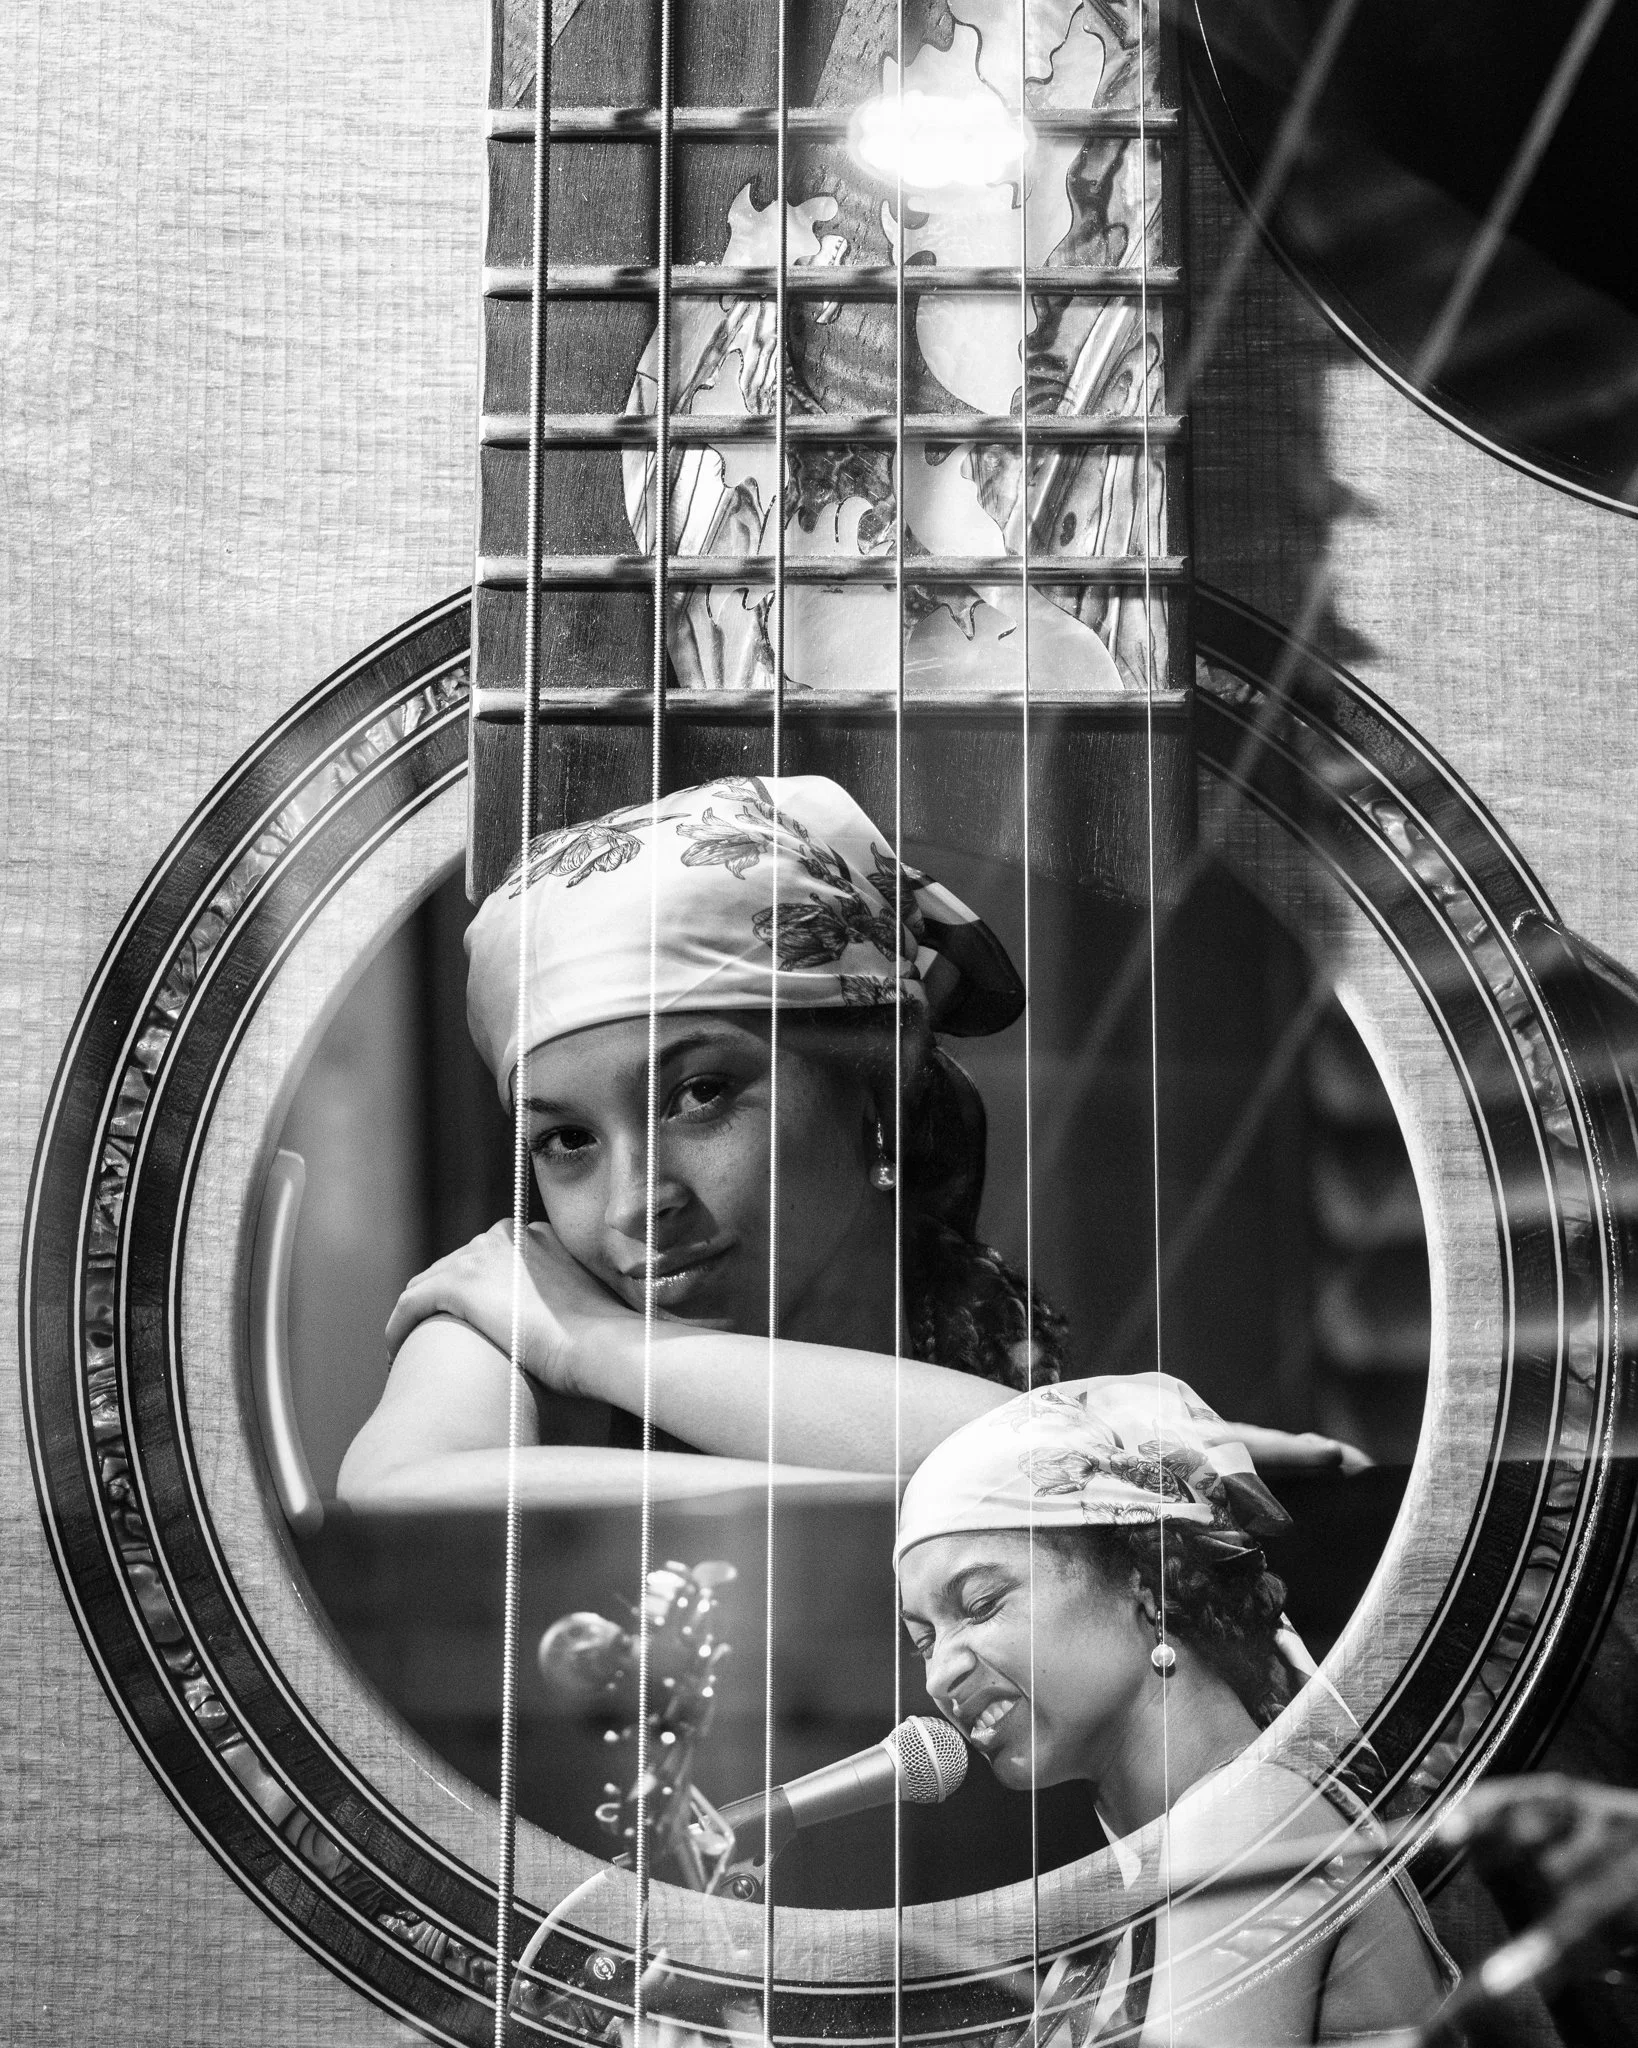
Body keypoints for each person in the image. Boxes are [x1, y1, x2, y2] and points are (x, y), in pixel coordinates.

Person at [337, 775, 1358, 1508]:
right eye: (566, 1138)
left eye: (698, 1094)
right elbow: (398, 1492)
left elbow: (1054, 1462)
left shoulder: (956, 1309)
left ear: (880, 1067)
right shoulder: (515, 1306)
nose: (635, 1200)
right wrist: (584, 1342)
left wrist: (617, 1352)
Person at [894, 1374, 1456, 2044]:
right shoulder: (1146, 1888)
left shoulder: (1246, 1818)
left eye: (981, 1604)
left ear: (1147, 1581)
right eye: (923, 1640)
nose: (940, 1673)